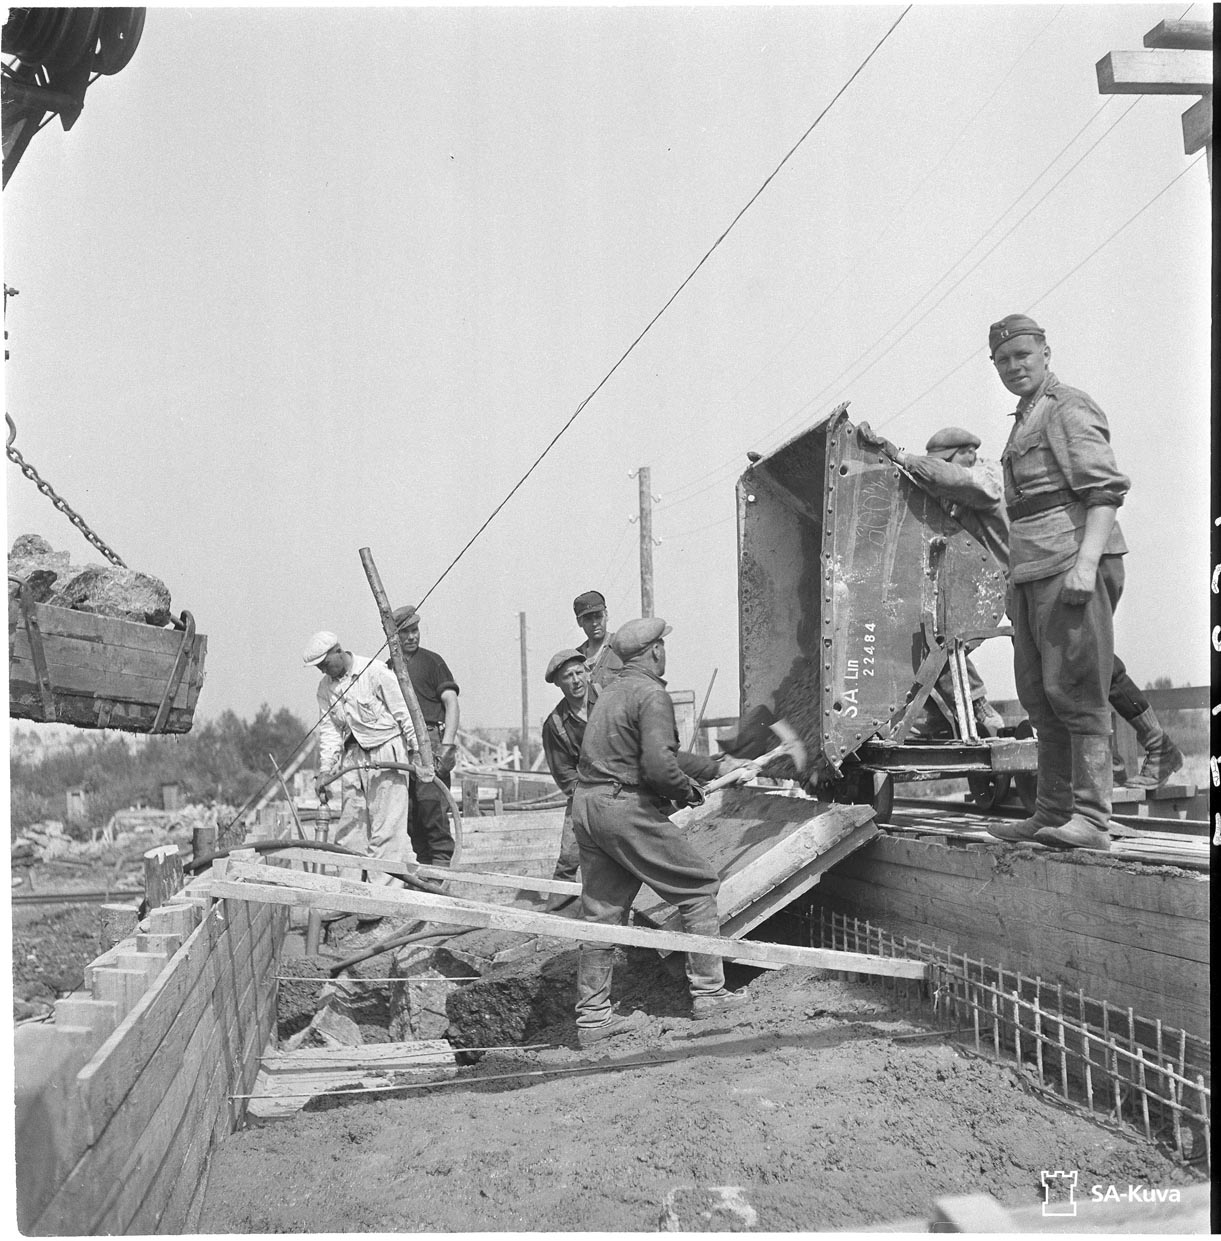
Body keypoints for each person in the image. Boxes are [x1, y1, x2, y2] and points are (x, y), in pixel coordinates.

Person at [858, 418, 1184, 793]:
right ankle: (1112, 762)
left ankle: (1148, 749)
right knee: (1072, 669)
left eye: (947, 461)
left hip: (1050, 577)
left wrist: (898, 455)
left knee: (1082, 663)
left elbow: (950, 478)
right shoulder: (966, 500)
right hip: (1028, 588)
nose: (942, 473)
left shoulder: (986, 480)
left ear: (968, 455)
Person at [988, 314, 1131, 850]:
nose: (1013, 367)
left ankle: (1092, 819)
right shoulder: (1025, 418)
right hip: (1032, 569)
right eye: (1002, 360)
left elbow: (1105, 492)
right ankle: (1051, 811)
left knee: (1076, 691)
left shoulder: (1067, 406)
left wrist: (1086, 565)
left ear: (1045, 353)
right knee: (1039, 698)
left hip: (1070, 563)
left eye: (1022, 356)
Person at [570, 616, 748, 1046]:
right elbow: (659, 768)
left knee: (602, 913)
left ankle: (592, 1018)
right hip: (622, 809)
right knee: (698, 887)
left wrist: (716, 768)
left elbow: (660, 755)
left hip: (588, 805)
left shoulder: (611, 693)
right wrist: (687, 791)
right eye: (663, 646)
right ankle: (710, 994)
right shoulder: (651, 693)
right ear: (655, 651)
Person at [304, 630, 418, 885]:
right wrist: (325, 770)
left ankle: (383, 894)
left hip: (386, 751)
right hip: (354, 758)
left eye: (325, 664)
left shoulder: (374, 672)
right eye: (319, 667)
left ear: (338, 651)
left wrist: (417, 752)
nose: (323, 670)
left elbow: (405, 713)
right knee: (351, 828)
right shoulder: (325, 688)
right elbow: (330, 731)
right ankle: (351, 890)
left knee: (387, 829)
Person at [390, 605, 461, 867]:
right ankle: (423, 873)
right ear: (393, 636)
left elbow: (451, 702)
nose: (412, 637)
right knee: (410, 814)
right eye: (405, 632)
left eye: (415, 630)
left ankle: (441, 869)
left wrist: (447, 744)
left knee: (432, 807)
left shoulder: (432, 662)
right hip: (400, 745)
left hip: (429, 740)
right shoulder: (388, 669)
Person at [540, 648, 590, 911]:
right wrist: (590, 800)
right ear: (558, 684)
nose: (576, 680)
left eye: (579, 672)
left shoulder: (610, 699)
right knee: (570, 856)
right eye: (568, 676)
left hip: (627, 783)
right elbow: (565, 775)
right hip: (587, 792)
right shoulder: (555, 725)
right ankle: (560, 913)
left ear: (587, 672)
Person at [572, 590, 623, 707]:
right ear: (579, 622)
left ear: (606, 615)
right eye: (588, 619)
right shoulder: (575, 658)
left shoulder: (622, 647)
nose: (594, 623)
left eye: (598, 616)